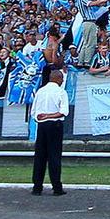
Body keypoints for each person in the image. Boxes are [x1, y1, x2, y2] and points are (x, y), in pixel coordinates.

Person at [30, 64, 68, 195]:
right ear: (57, 79)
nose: (62, 81)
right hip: (54, 125)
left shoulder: (40, 91)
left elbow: (34, 113)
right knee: (54, 156)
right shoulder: (61, 92)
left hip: (41, 126)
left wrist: (42, 117)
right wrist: (49, 115)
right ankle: (57, 187)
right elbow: (63, 112)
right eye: (61, 78)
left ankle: (37, 187)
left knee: (40, 156)